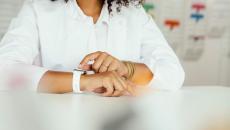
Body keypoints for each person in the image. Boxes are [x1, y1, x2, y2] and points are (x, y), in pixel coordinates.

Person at [0, 0, 185, 97]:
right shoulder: (37, 8)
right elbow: (4, 71)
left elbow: (174, 74)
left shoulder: (133, 13)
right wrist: (85, 81)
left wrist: (126, 69)